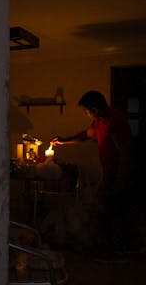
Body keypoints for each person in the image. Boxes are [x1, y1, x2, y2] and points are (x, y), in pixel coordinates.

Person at [52, 90, 139, 257]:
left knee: (115, 211)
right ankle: (117, 248)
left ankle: (119, 251)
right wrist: (63, 141)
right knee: (106, 208)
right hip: (109, 173)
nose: (86, 114)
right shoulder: (98, 122)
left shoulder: (114, 121)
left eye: (86, 111)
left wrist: (120, 179)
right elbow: (85, 135)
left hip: (119, 174)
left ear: (94, 109)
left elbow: (125, 152)